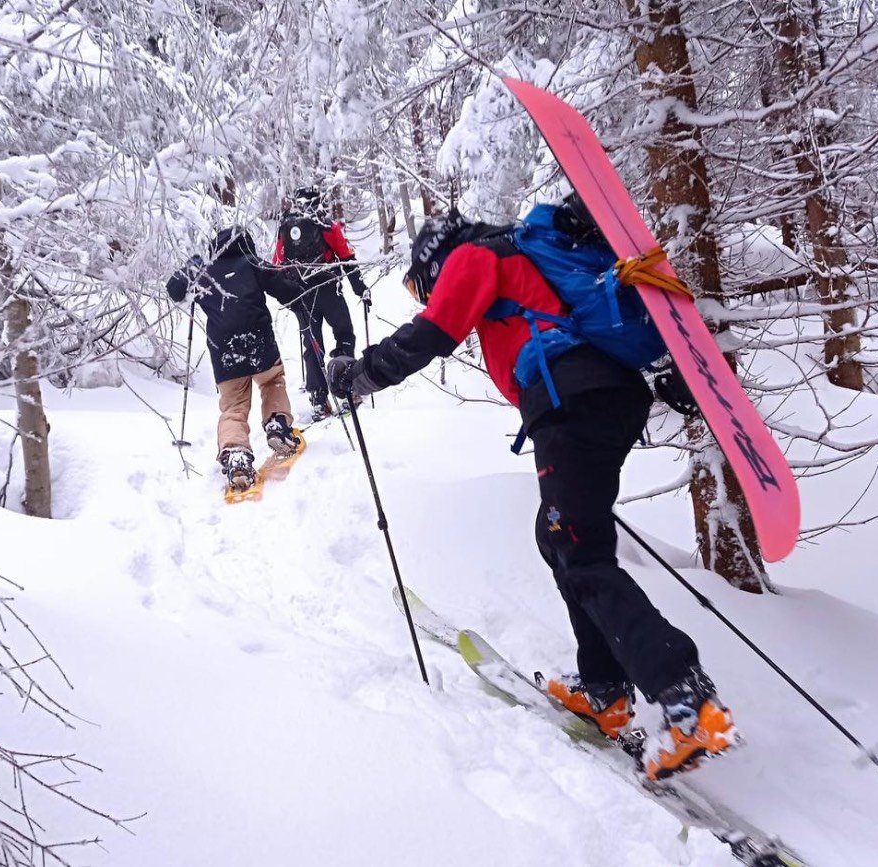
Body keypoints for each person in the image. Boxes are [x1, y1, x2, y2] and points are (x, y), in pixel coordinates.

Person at [326, 199, 738, 780]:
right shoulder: (530, 255)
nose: (428, 296)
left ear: (434, 262)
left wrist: (361, 374)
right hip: (606, 398)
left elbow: (434, 332)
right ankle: (605, 691)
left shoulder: (474, 256)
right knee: (561, 538)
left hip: (570, 399)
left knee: (579, 551)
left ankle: (687, 700)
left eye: (424, 286)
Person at [167, 227, 302, 491]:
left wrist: (191, 266)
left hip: (224, 351)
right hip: (259, 341)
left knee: (233, 407)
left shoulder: (204, 271)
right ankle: (277, 424)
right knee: (272, 381)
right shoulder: (251, 262)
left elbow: (174, 290)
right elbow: (286, 290)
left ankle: (236, 453)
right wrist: (301, 299)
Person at [273, 185, 370, 420]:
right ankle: (346, 388)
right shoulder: (327, 226)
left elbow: (277, 264)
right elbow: (346, 258)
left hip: (302, 295)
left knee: (312, 345)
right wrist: (360, 289)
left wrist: (289, 296)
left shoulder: (286, 229)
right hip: (329, 291)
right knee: (344, 334)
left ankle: (319, 400)